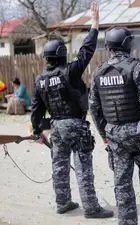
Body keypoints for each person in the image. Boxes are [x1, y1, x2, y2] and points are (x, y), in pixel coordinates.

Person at [30, 2, 114, 219]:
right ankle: (91, 208)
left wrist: (38, 131)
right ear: (62, 54)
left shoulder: (40, 80)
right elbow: (86, 51)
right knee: (83, 167)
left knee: (59, 166)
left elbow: (36, 110)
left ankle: (63, 202)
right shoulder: (70, 71)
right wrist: (94, 25)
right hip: (76, 126)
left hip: (56, 127)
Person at [89, 26, 140, 225]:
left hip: (114, 134)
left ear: (109, 45)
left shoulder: (99, 72)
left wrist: (104, 134)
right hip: (139, 134)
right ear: (128, 43)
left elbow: (94, 107)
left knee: (121, 183)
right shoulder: (136, 67)